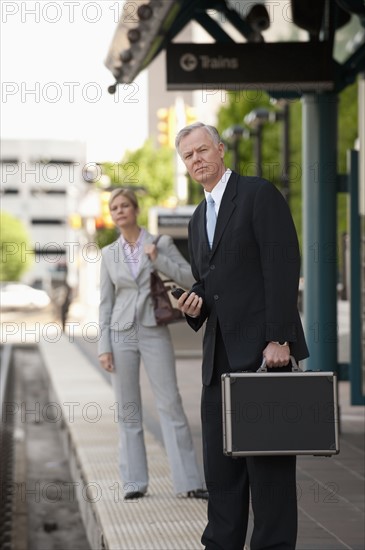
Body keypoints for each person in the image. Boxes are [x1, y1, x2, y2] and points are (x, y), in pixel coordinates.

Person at [174, 122, 309, 550]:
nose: (196, 160)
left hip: (264, 357)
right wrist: (194, 303)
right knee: (223, 474)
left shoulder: (257, 194)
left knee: (268, 475)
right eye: (188, 156)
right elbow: (210, 284)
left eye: (201, 150)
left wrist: (279, 339)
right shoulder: (197, 219)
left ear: (220, 148)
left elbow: (283, 267)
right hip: (218, 364)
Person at [98, 187, 207, 500]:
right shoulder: (108, 255)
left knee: (170, 402)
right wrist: (103, 346)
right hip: (120, 333)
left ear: (135, 210)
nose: (119, 211)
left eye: (124, 206)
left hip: (153, 329)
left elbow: (188, 277)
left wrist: (158, 260)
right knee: (127, 409)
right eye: (114, 207)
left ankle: (188, 482)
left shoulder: (161, 243)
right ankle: (134, 482)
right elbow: (105, 304)